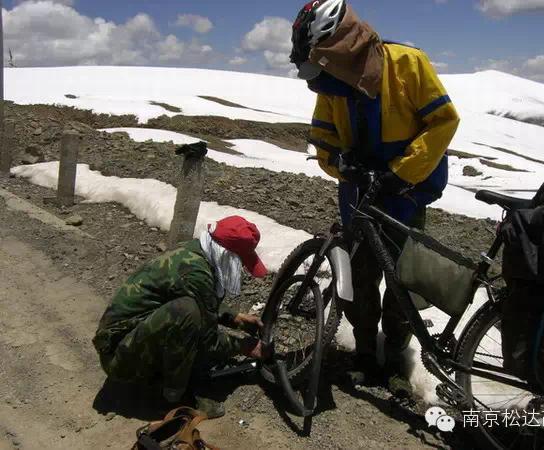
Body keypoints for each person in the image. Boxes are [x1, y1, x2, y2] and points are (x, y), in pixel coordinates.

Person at [290, 0, 460, 398]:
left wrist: (401, 171)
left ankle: (397, 358)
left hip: (406, 192)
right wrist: (340, 164)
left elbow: (444, 120)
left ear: (342, 45)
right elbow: (325, 136)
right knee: (361, 276)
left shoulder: (408, 64)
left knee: (402, 281)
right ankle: (365, 353)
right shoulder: (332, 78)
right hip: (359, 195)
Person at [93, 216, 270, 418]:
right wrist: (244, 346)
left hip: (126, 340)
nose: (242, 269)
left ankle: (166, 377)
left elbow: (199, 299)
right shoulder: (195, 273)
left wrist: (234, 317)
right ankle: (172, 399)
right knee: (187, 314)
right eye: (240, 262)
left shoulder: (193, 252)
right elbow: (208, 341)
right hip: (120, 359)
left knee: (189, 313)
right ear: (226, 255)